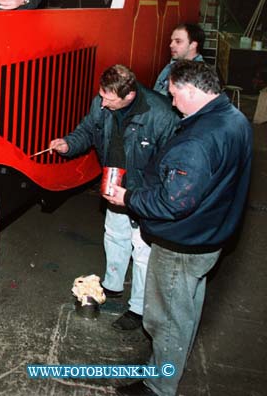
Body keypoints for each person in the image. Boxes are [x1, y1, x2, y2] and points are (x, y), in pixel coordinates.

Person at [105, 60, 252, 396]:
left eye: (173, 94)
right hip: (212, 236)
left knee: (165, 319)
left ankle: (159, 386)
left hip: (183, 243)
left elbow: (173, 203)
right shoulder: (235, 120)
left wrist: (129, 197)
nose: (171, 102)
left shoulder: (197, 141)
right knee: (186, 309)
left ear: (192, 89)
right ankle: (168, 363)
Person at [49, 65, 178, 330]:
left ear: (129, 96)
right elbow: (87, 130)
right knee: (114, 235)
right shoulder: (103, 102)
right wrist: (68, 143)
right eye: (101, 95)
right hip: (113, 181)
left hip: (143, 192)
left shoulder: (162, 115)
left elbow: (169, 166)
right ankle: (112, 286)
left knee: (143, 252)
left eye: (109, 98)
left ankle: (139, 310)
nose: (102, 102)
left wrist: (140, 197)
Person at [153, 23, 205, 96]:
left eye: (178, 41)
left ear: (193, 45)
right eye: (172, 41)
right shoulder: (173, 64)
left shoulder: (199, 75)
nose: (171, 45)